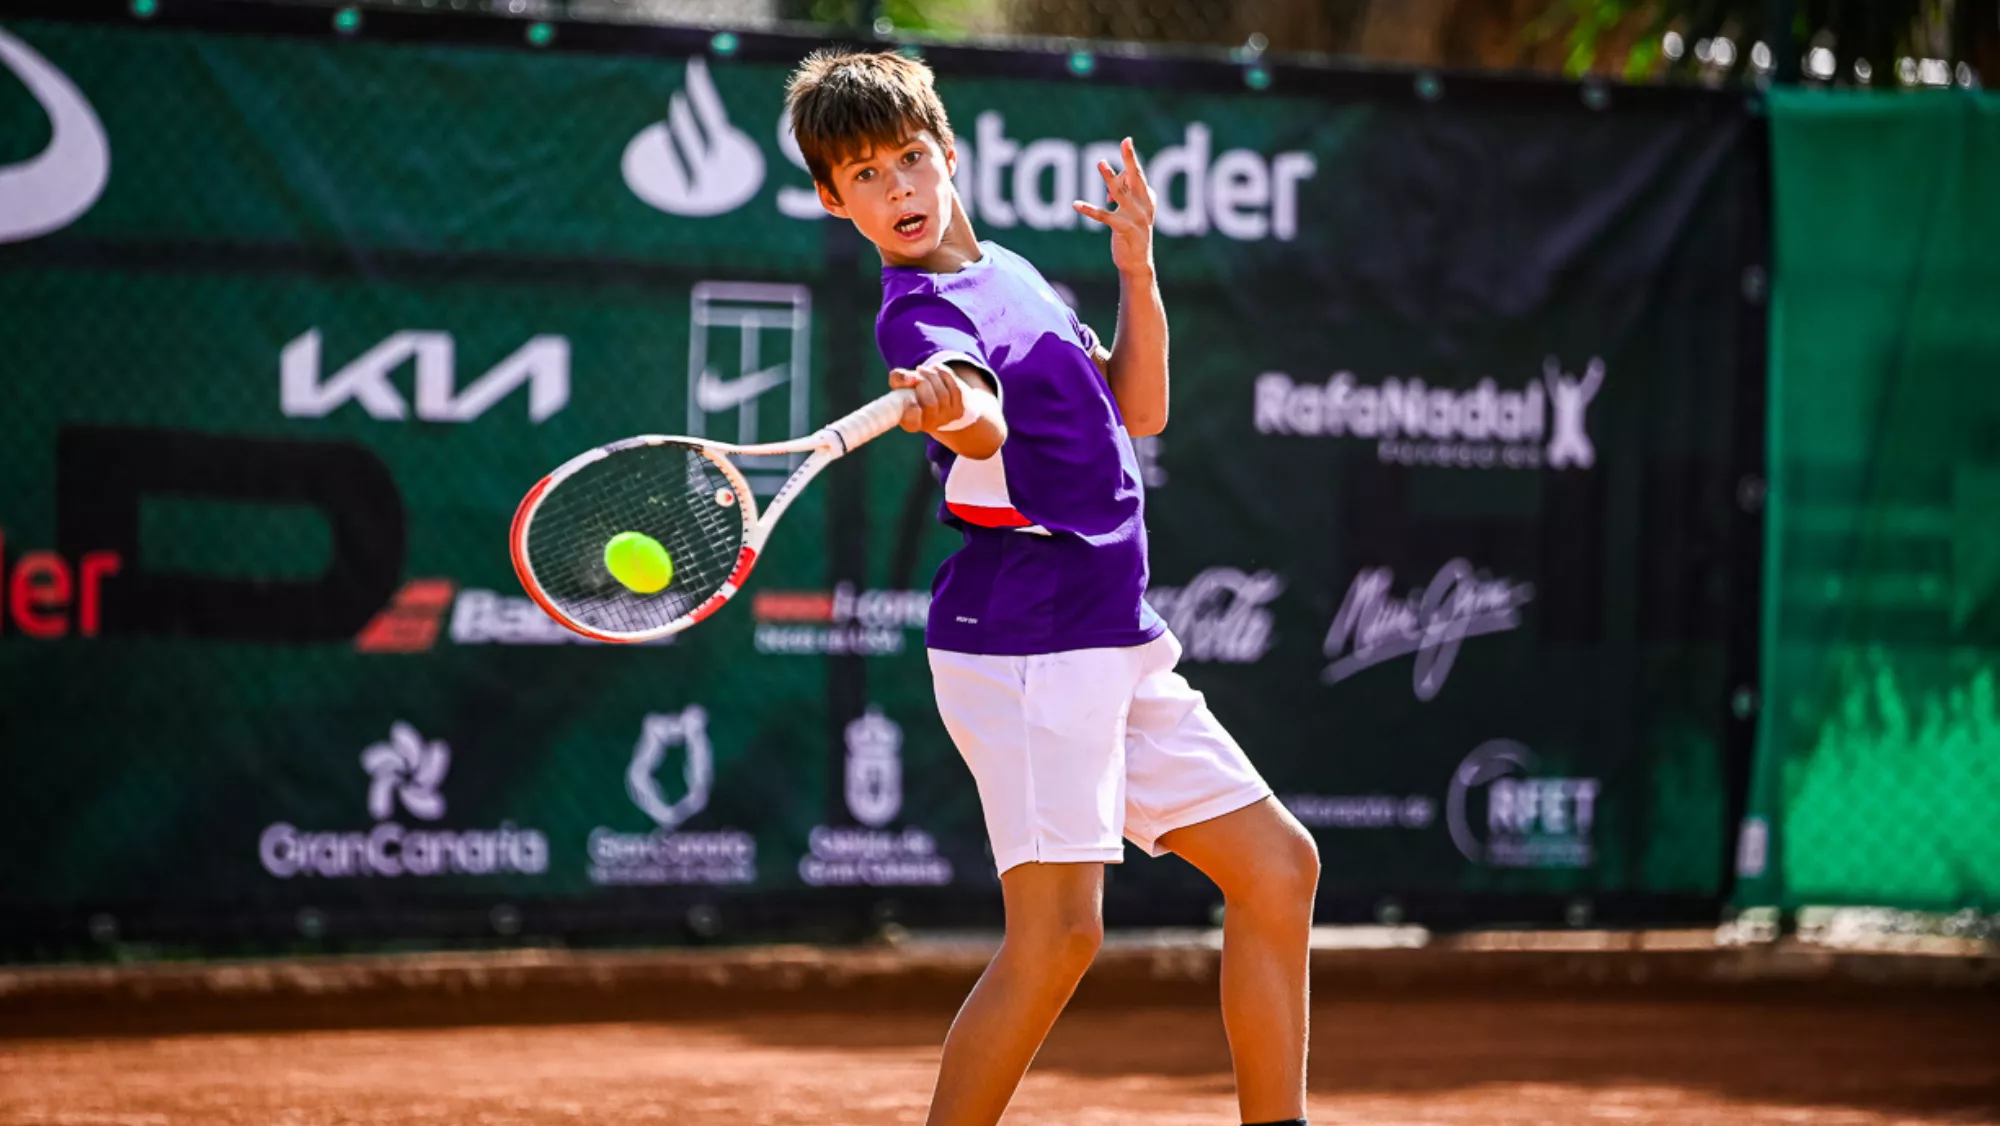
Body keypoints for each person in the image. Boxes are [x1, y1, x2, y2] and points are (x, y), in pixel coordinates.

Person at [785, 48, 1321, 1126]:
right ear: (830, 202)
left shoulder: (1014, 273)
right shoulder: (915, 315)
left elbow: (1139, 407)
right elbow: (980, 411)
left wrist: (1135, 269)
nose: (894, 189)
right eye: (862, 177)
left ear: (947, 155)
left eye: (906, 159)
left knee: (1275, 867)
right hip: (1023, 642)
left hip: (1109, 629)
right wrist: (949, 406)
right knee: (1060, 937)